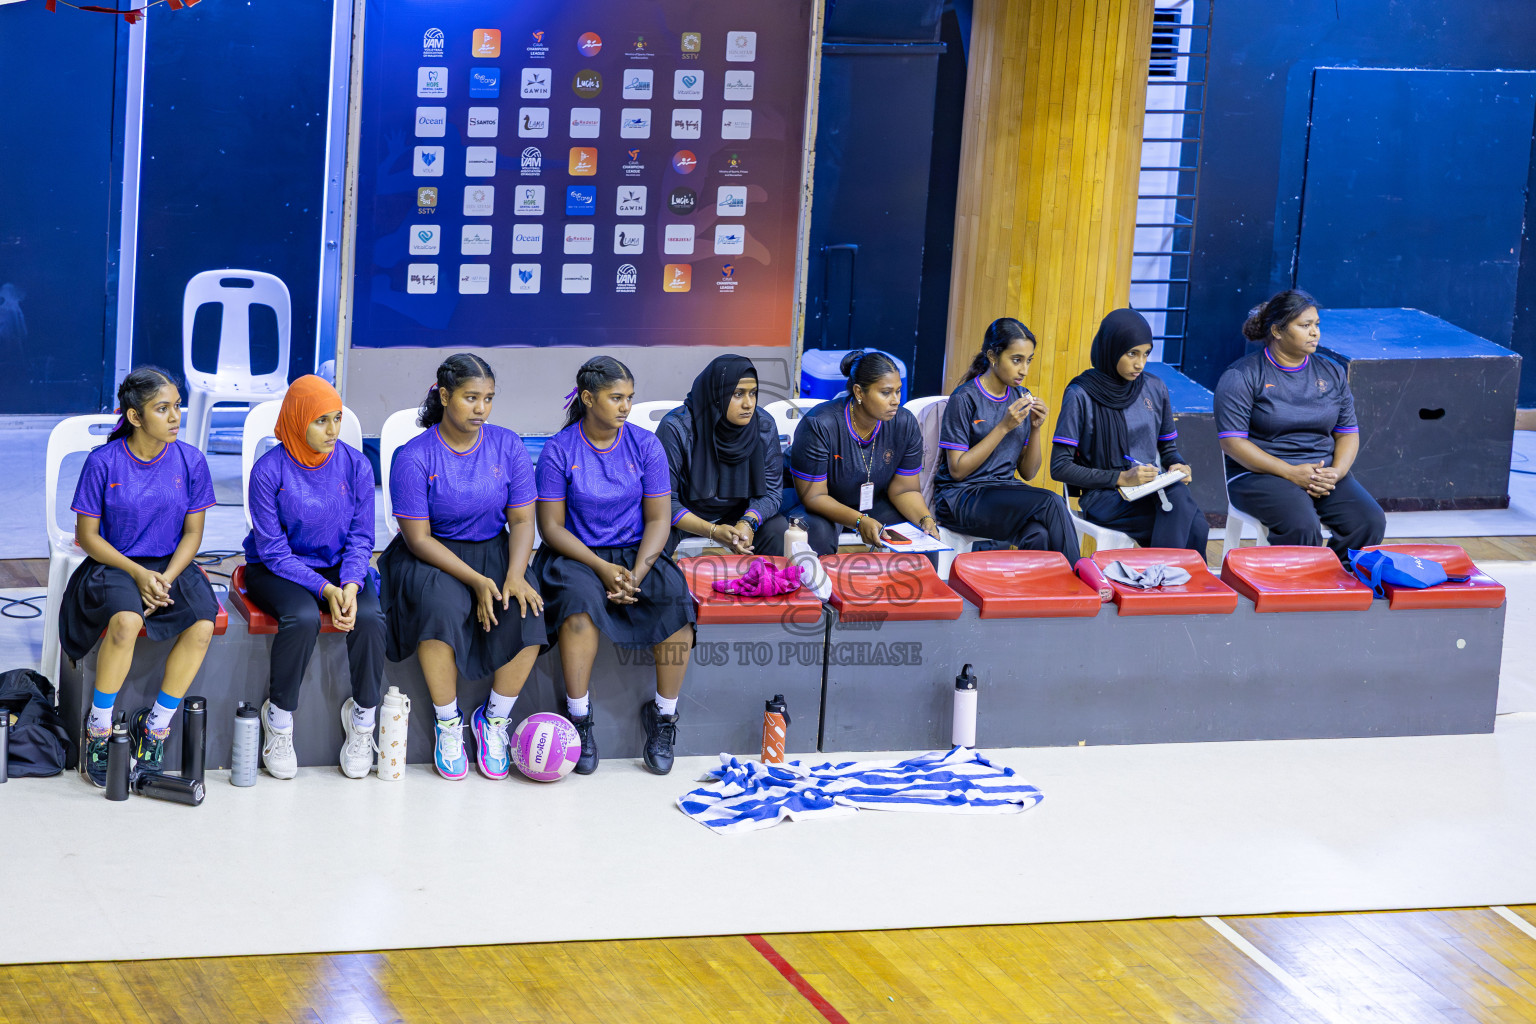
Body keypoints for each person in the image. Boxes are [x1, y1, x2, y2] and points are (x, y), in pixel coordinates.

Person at [378, 354, 546, 781]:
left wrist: (512, 574)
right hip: (431, 554)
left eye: (488, 399)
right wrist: (475, 581)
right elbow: (417, 538)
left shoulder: (507, 445)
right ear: (445, 395)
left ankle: (493, 720)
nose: (481, 409)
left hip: (495, 548)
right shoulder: (413, 456)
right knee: (441, 609)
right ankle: (448, 722)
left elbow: (524, 520)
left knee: (528, 607)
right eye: (471, 398)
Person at [534, 357, 695, 776]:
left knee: (677, 605)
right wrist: (603, 570)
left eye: (629, 398)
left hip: (635, 553)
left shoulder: (646, 445)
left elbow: (660, 518)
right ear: (588, 399)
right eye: (615, 398)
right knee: (579, 609)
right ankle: (580, 719)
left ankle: (663, 716)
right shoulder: (559, 449)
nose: (625, 407)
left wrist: (638, 572)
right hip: (577, 554)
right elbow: (550, 528)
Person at [64, 367, 218, 787]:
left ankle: (154, 728)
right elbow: (88, 537)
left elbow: (194, 533)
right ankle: (97, 728)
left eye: (177, 407)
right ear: (134, 416)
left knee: (203, 624)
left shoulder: (191, 460)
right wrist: (137, 573)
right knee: (127, 621)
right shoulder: (103, 462)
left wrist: (164, 577)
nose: (175, 417)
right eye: (162, 408)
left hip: (171, 564)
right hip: (114, 562)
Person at [242, 375, 385, 780]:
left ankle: (363, 719)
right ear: (297, 419)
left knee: (371, 617)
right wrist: (325, 589)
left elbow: (361, 537)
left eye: (337, 419)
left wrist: (352, 585)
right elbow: (272, 550)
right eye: (321, 420)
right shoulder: (268, 471)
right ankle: (280, 718)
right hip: (277, 568)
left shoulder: (356, 465)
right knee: (303, 617)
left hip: (341, 569)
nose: (333, 430)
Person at [1214, 290, 1386, 562]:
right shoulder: (1241, 375)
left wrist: (1336, 472)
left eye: (1316, 324)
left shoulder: (1332, 372)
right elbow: (1232, 442)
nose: (1314, 332)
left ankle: (1333, 581)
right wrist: (1291, 473)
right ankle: (1296, 592)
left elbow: (1348, 433)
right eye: (1305, 326)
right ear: (1278, 331)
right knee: (1302, 526)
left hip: (1322, 473)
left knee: (1369, 520)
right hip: (1259, 475)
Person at [1050, 309, 1207, 555]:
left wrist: (1177, 465)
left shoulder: (1154, 387)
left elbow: (1168, 450)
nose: (1140, 364)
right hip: (1104, 497)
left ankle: (1161, 583)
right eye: (1132, 353)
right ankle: (1169, 585)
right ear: (1111, 349)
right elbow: (1059, 467)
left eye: (1146, 354)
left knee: (1185, 511)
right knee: (1191, 522)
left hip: (1150, 491)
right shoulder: (1080, 394)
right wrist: (1121, 479)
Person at [934, 319, 1082, 562]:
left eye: (1029, 360)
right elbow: (958, 470)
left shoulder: (1021, 396)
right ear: (993, 356)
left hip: (1002, 491)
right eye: (1016, 360)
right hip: (961, 497)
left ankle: (1038, 598)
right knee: (1051, 501)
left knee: (1039, 534)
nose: (1024, 369)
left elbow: (1028, 472)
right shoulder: (964, 398)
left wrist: (1035, 429)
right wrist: (1003, 427)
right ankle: (1082, 579)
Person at [788, 350, 941, 555]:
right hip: (817, 502)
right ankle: (826, 587)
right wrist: (860, 520)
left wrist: (925, 519)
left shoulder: (904, 423)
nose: (895, 400)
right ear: (859, 392)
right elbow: (814, 496)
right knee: (818, 536)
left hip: (870, 501)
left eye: (898, 391)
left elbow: (904, 490)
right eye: (886, 393)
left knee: (924, 541)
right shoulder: (820, 424)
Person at [656, 354, 789, 558]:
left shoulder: (763, 425)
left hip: (738, 512)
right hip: (685, 513)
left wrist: (748, 521)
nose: (748, 404)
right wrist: (713, 532)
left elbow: (771, 492)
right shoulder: (677, 427)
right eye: (738, 394)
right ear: (715, 395)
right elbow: (665, 501)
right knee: (656, 535)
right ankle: (668, 588)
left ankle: (764, 586)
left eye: (753, 393)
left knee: (778, 530)